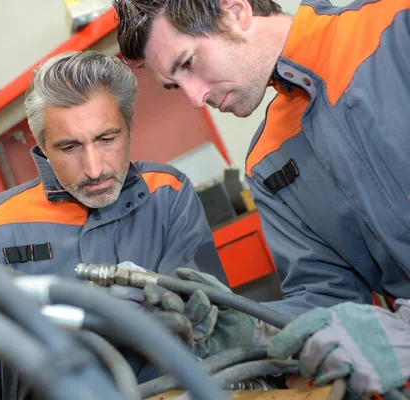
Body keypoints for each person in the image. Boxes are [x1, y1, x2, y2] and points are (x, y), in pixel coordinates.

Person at [112, 0, 410, 396]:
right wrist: (253, 327)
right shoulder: (269, 163)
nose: (195, 97)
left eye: (188, 64)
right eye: (175, 85)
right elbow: (327, 298)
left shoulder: (395, 26)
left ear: (236, 11)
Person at [0, 50, 225, 400]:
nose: (94, 168)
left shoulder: (168, 195)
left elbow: (219, 322)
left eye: (106, 139)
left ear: (128, 128)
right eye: (69, 146)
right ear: (42, 146)